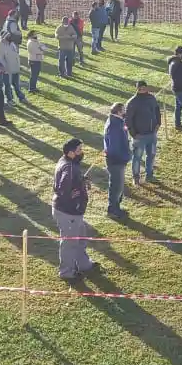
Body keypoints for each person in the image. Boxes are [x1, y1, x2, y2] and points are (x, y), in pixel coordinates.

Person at [53, 138, 96, 282]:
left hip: (73, 213)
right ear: (71, 153)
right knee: (69, 242)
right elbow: (63, 189)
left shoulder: (68, 163)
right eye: (79, 150)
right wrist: (75, 200)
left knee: (80, 238)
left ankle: (84, 264)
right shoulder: (69, 168)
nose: (81, 153)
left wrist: (80, 180)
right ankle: (67, 272)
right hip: (68, 213)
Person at [125, 80, 162, 185]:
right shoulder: (132, 102)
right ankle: (136, 177)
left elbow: (157, 111)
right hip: (139, 136)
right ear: (137, 89)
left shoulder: (151, 98)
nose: (142, 90)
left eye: (144, 88)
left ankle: (149, 175)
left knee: (151, 155)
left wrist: (158, 124)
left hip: (152, 134)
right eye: (140, 88)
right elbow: (128, 121)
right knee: (137, 158)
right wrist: (134, 134)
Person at [103, 103, 131, 219]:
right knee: (116, 186)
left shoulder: (118, 122)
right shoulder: (114, 125)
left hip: (118, 159)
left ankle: (116, 207)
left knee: (118, 185)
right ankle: (113, 209)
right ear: (119, 112)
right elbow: (114, 146)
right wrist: (123, 158)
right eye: (124, 110)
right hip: (116, 161)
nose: (125, 112)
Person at [0, 33, 26, 105]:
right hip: (7, 70)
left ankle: (21, 97)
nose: (10, 37)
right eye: (8, 36)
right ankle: (9, 99)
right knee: (8, 85)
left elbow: (16, 55)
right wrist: (5, 68)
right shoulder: (1, 47)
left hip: (15, 68)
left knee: (16, 84)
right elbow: (0, 59)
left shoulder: (12, 44)